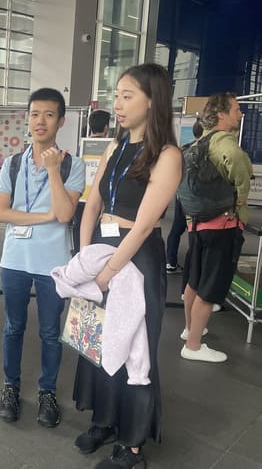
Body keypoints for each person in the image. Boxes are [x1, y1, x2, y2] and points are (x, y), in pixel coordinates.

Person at [73, 63, 182, 469]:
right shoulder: (114, 148)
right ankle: (105, 419)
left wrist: (105, 271)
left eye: (126, 95)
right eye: (116, 94)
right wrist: (86, 259)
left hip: (136, 259)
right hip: (102, 250)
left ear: (152, 101)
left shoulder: (167, 156)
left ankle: (133, 444)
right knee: (101, 341)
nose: (116, 104)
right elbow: (91, 205)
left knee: (136, 347)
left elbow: (141, 229)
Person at [0, 88, 85, 427]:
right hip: (14, 258)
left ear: (61, 120)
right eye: (34, 114)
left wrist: (52, 171)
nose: (40, 121)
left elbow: (64, 213)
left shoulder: (72, 165)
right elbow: (1, 213)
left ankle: (47, 391)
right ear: (27, 118)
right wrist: (42, 217)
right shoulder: (13, 163)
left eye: (48, 114)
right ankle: (10, 387)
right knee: (12, 327)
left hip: (53, 262)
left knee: (49, 331)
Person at [181, 93, 251, 363]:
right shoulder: (228, 147)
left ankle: (190, 330)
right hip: (223, 225)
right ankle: (195, 346)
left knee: (194, 282)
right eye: (236, 109)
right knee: (210, 289)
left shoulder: (197, 143)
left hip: (198, 224)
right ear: (221, 114)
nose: (240, 113)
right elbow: (241, 183)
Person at [165, 119, 203, 275]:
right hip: (195, 199)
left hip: (181, 196)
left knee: (176, 229)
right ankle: (193, 270)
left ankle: (170, 262)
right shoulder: (203, 151)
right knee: (195, 233)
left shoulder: (183, 149)